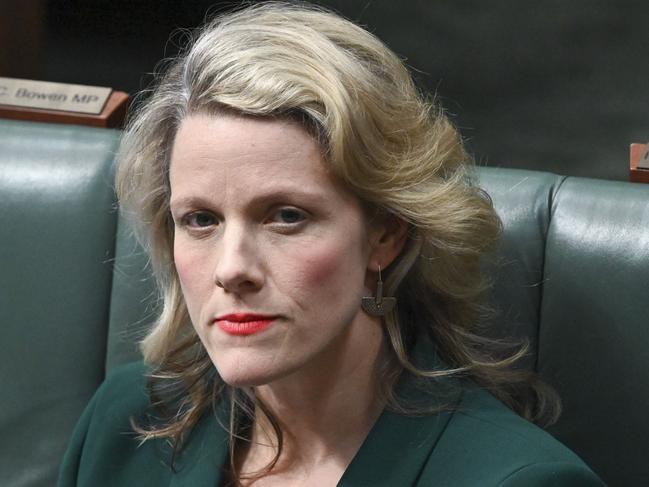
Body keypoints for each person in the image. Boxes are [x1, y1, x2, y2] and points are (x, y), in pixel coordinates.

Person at [58, 2, 605, 486]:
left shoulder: (518, 479)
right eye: (200, 220)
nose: (232, 269)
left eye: (286, 217)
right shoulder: (125, 422)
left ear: (386, 234)